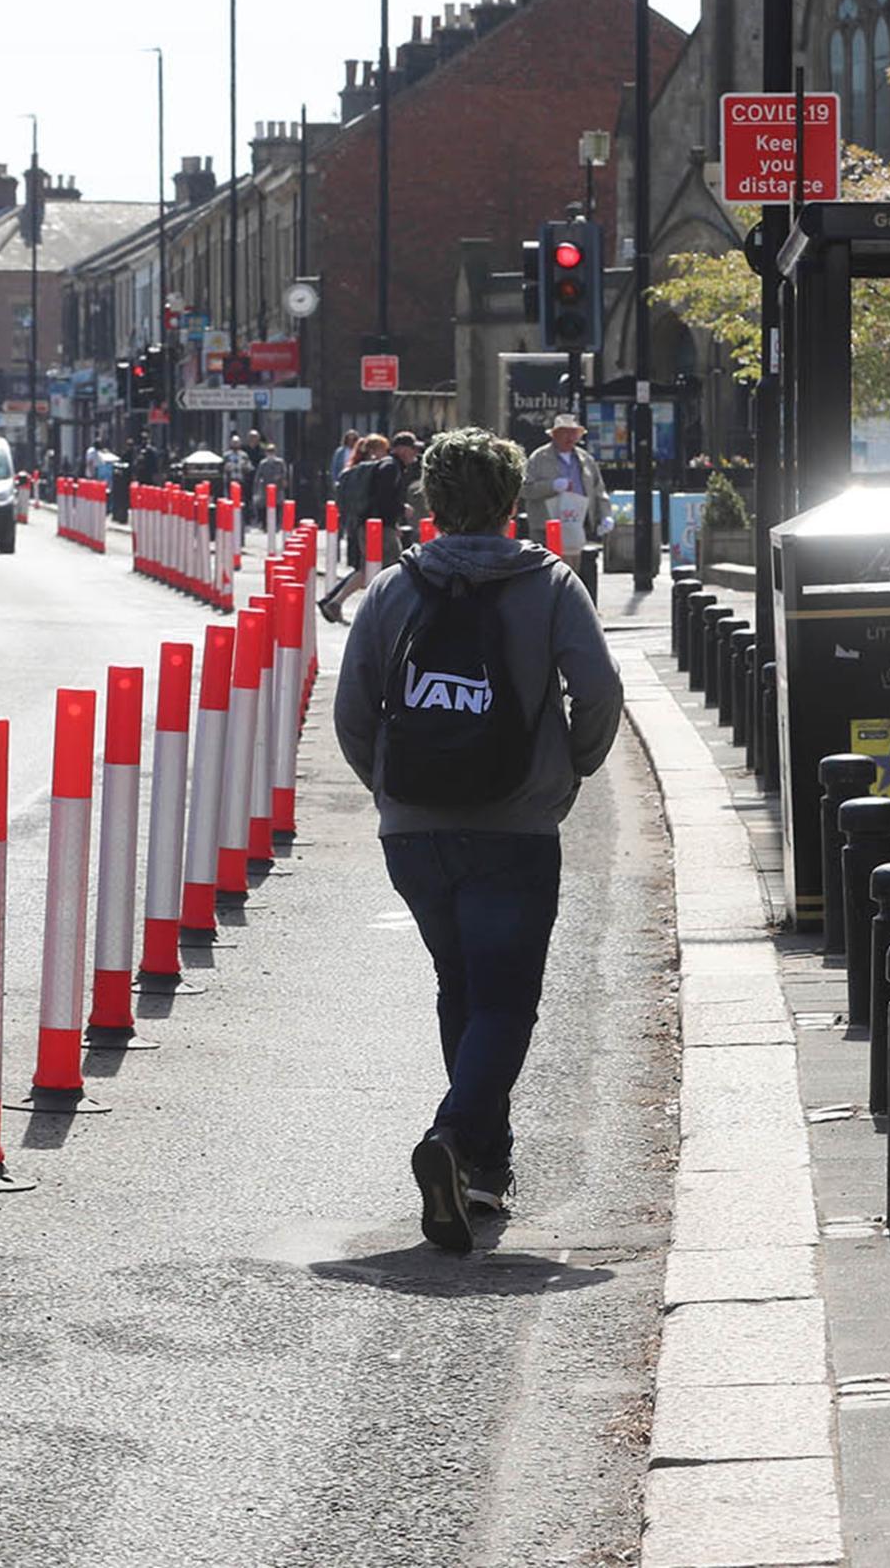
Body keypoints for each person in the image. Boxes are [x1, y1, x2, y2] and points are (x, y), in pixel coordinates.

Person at [330, 426, 624, 1251]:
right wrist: (571, 770)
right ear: (509, 501)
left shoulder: (393, 589)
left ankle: (483, 1170)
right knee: (504, 997)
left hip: (416, 835)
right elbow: (598, 690)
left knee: (460, 982)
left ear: (432, 501)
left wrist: (394, 794)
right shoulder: (552, 584)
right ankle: (455, 1135)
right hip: (515, 827)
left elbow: (353, 715)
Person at [518, 414, 610, 597]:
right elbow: (525, 490)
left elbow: (599, 490)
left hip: (578, 527)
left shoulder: (585, 459)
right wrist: (551, 486)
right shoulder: (539, 457)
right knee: (548, 576)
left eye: (573, 433)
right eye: (565, 433)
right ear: (554, 435)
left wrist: (606, 515)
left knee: (577, 576)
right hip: (547, 529)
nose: (570, 437)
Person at [317, 435, 398, 622]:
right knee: (368, 567)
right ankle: (337, 602)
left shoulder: (354, 468)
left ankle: (333, 600)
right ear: (375, 450)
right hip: (372, 525)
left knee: (364, 566)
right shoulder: (376, 469)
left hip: (357, 522)